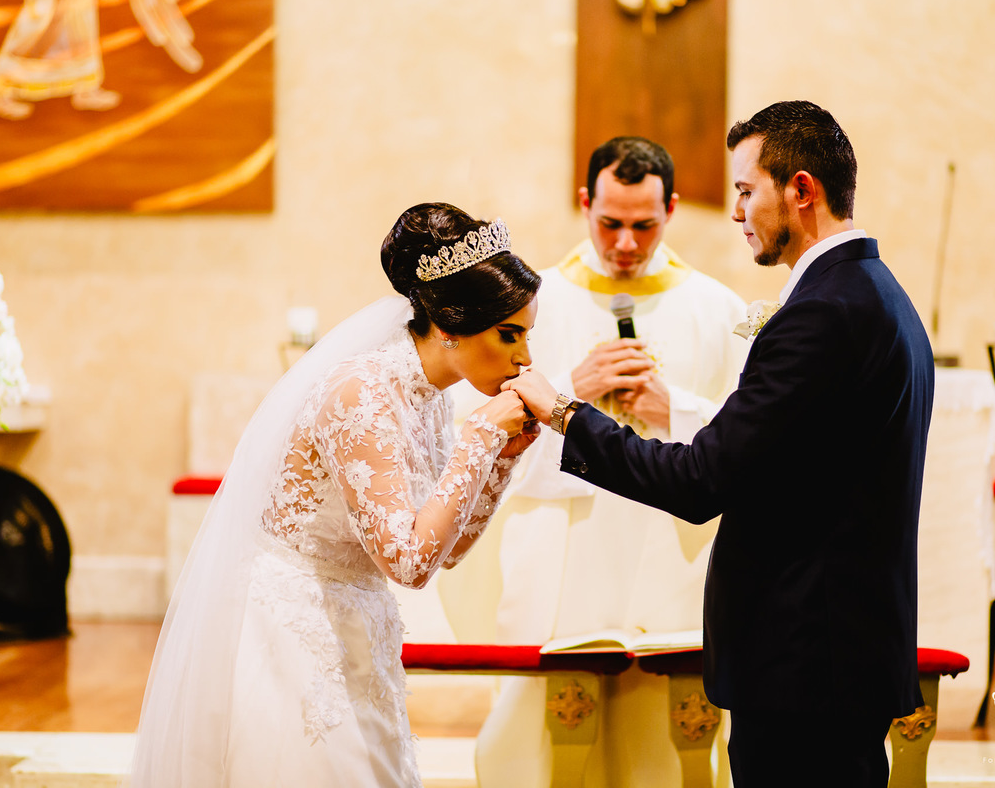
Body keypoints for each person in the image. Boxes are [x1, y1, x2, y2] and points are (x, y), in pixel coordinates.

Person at [506, 101, 936, 787]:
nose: (736, 212)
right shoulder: (877, 294)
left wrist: (565, 413)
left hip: (804, 662)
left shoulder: (820, 314)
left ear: (800, 190)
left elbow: (703, 480)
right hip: (834, 652)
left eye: (744, 190)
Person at [128, 203, 541, 787]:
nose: (526, 357)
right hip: (293, 629)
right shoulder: (361, 394)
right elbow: (409, 563)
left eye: (527, 334)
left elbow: (446, 547)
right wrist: (479, 440)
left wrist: (498, 461)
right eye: (510, 335)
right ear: (450, 324)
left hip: (360, 625)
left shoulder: (432, 397)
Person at [473, 137, 748, 788]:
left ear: (673, 210)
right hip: (565, 560)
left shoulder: (720, 311)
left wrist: (671, 409)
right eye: (610, 223)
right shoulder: (528, 309)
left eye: (644, 225)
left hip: (672, 562)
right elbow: (486, 443)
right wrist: (572, 395)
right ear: (583, 204)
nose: (626, 242)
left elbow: (752, 445)